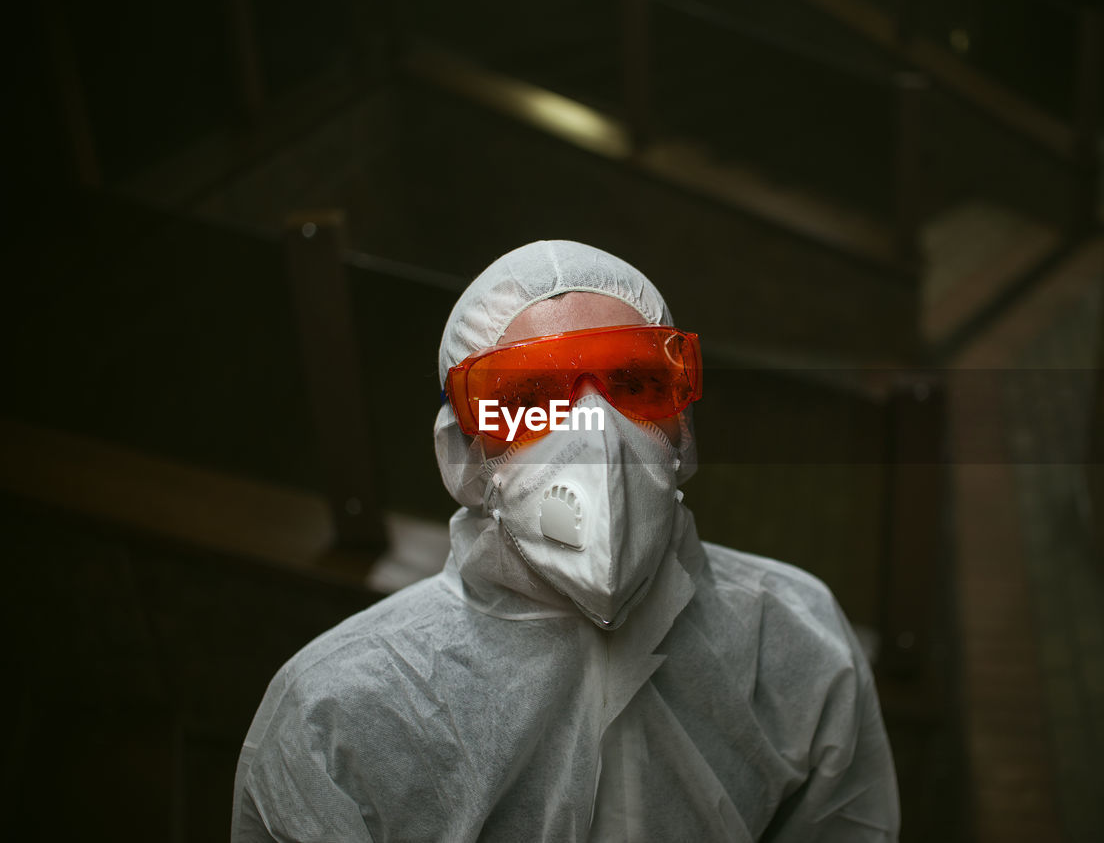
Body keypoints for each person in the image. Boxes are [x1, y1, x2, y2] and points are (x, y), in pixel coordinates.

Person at [230, 240, 900, 841]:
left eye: (635, 385)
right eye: (528, 399)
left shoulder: (793, 642)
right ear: (462, 455)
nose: (595, 434)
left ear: (683, 429)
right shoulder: (338, 717)